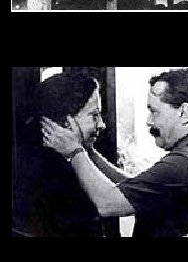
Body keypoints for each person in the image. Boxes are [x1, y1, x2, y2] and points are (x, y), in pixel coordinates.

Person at [41, 68, 188, 237]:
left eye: (154, 111)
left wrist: (74, 151)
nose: (149, 121)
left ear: (183, 113)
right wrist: (88, 152)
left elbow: (108, 202)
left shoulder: (186, 162)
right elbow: (134, 189)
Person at [12, 71, 117, 237]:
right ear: (66, 123)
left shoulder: (24, 160)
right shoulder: (61, 175)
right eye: (94, 115)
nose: (102, 124)